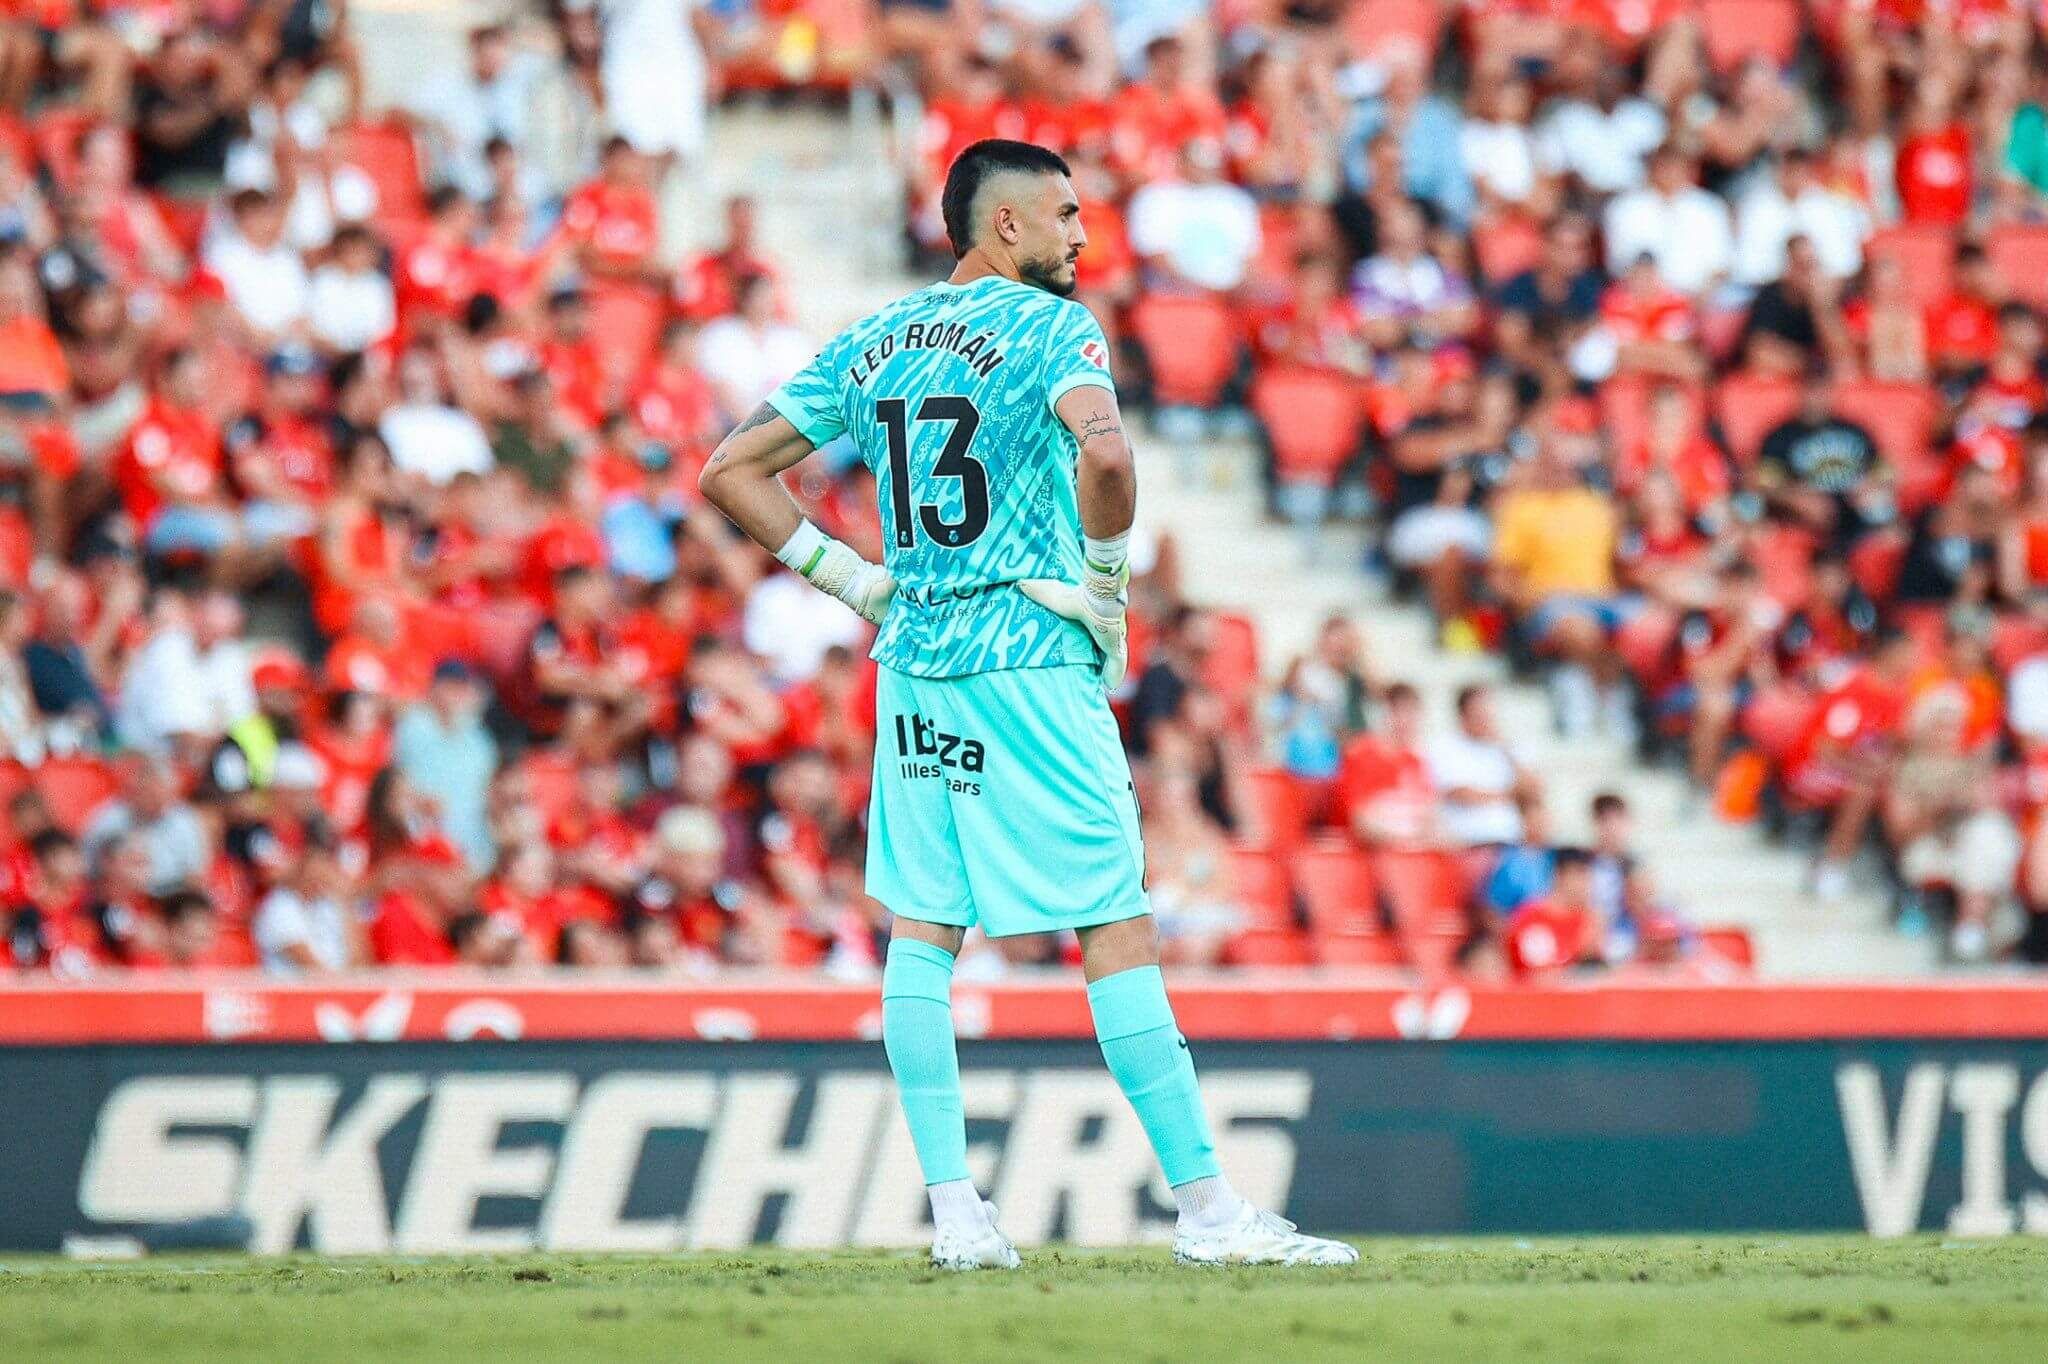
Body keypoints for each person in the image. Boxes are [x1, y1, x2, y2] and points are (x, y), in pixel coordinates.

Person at [698, 139, 1353, 1270]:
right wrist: (1104, 584)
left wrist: (851, 578)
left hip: (915, 661)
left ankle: (958, 1216)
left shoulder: (873, 337)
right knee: (1113, 921)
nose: (1081, 235)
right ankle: (1206, 1212)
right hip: (1028, 654)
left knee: (923, 930)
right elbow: (1109, 457)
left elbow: (729, 469)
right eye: (1064, 214)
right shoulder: (1053, 329)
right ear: (1004, 224)